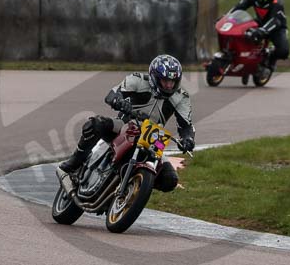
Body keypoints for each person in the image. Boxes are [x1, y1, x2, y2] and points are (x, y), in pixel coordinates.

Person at [57, 54, 195, 193]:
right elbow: (112, 95)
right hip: (124, 124)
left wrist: (188, 139)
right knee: (95, 124)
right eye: (165, 80)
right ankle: (73, 164)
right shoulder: (137, 80)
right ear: (155, 76)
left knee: (170, 180)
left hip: (153, 138)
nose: (169, 85)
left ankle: (135, 187)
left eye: (172, 81)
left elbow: (186, 125)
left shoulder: (181, 97)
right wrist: (119, 102)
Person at [230, 0, 289, 70]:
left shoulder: (277, 1)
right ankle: (239, 55)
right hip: (259, 22)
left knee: (283, 52)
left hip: (277, 27)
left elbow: (276, 20)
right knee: (241, 33)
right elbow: (239, 7)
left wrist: (263, 30)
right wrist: (226, 18)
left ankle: (271, 57)